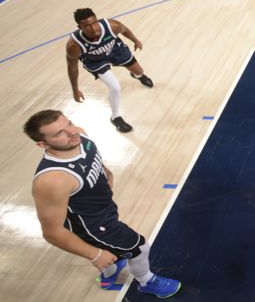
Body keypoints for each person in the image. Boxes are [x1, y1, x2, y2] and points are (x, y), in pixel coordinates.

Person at [26, 110, 181, 297]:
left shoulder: (80, 135)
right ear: (42, 144)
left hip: (102, 208)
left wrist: (107, 173)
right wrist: (95, 255)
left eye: (69, 124)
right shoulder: (52, 180)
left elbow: (93, 159)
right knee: (140, 248)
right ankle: (146, 281)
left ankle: (109, 273)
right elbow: (52, 232)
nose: (71, 132)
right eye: (59, 133)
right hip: (92, 224)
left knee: (111, 252)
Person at [66, 8, 154, 132]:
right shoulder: (74, 45)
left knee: (139, 71)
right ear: (79, 27)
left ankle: (138, 76)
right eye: (87, 26)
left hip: (115, 50)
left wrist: (136, 41)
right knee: (115, 87)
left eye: (95, 23)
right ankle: (116, 117)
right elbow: (72, 67)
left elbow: (125, 30)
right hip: (95, 61)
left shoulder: (112, 26)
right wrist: (75, 89)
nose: (93, 28)